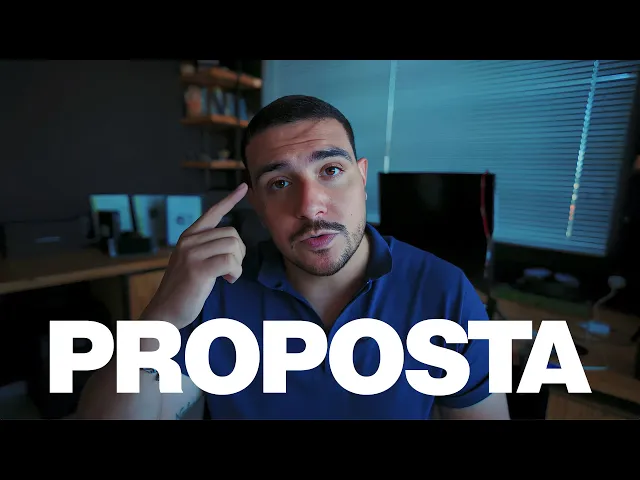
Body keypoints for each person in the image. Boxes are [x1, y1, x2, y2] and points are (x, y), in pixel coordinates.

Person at [76, 95, 510, 420]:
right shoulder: (217, 295)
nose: (310, 206)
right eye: (280, 183)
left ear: (361, 178)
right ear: (258, 205)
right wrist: (161, 317)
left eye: (331, 171)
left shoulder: (444, 291)